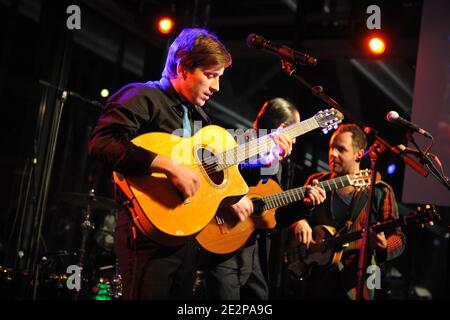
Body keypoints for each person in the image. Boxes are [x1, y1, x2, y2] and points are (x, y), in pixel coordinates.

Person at [88, 28, 292, 300]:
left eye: (219, 77)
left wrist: (263, 161)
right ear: (183, 68)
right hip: (146, 236)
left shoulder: (201, 118)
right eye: (210, 76)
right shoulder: (142, 97)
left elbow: (217, 172)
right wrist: (168, 165)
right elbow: (102, 142)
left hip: (186, 239)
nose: (217, 87)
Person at [203, 97, 326, 300]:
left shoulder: (282, 162)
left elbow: (274, 214)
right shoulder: (240, 143)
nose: (295, 141)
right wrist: (269, 160)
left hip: (255, 255)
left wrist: (304, 205)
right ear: (284, 127)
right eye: (296, 133)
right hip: (224, 248)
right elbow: (231, 176)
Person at [290, 123, 406, 300]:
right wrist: (300, 219)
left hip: (358, 281)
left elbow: (398, 238)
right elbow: (293, 215)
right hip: (317, 279)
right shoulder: (316, 182)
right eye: (331, 148)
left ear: (359, 154)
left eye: (341, 149)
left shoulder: (379, 190)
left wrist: (384, 246)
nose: (332, 154)